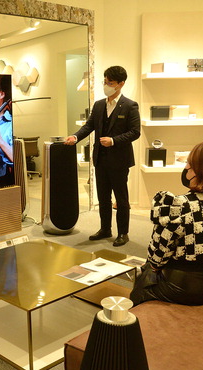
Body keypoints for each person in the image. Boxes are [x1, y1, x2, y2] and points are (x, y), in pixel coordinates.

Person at [130, 141, 203, 306]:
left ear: (199, 171)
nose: (186, 168)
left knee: (140, 288)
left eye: (189, 164)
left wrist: (152, 267)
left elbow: (160, 250)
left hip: (183, 286)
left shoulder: (180, 205)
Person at [65, 66, 140, 246]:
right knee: (103, 198)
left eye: (110, 83)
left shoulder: (130, 106)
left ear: (121, 84)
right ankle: (105, 229)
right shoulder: (99, 105)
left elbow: (135, 132)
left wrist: (113, 140)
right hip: (100, 159)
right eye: (105, 82)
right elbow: (88, 126)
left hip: (120, 161)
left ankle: (123, 233)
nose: (106, 86)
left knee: (121, 199)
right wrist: (75, 137)